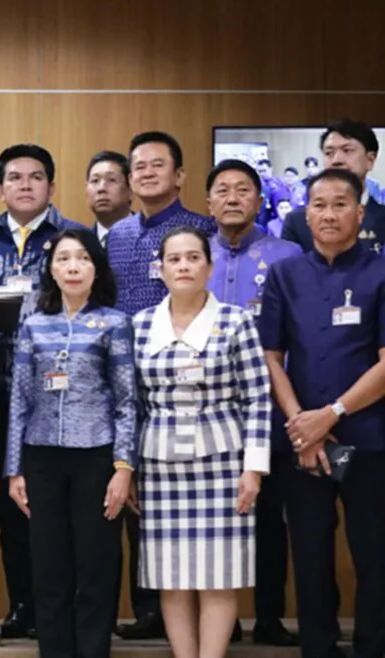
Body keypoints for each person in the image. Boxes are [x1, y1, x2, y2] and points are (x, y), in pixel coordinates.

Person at [0, 143, 82, 639]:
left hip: (63, 392)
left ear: (51, 186)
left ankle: (60, 610)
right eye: (16, 177)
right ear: (0, 187)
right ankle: (24, 603)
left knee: (59, 504)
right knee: (12, 501)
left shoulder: (75, 238)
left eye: (36, 177)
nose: (25, 185)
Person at [259, 168, 385, 658]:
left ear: (359, 212)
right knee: (309, 556)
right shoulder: (286, 275)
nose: (328, 213)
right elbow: (272, 356)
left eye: (339, 204)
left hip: (370, 437)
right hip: (303, 443)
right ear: (304, 212)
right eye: (319, 204)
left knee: (374, 556)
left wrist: (328, 414)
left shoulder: (380, 270)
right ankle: (319, 648)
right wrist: (301, 425)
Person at [132, 225, 271, 658]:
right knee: (170, 575)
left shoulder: (237, 321)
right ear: (161, 269)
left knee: (218, 573)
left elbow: (258, 396)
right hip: (159, 463)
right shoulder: (139, 326)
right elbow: (131, 404)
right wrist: (128, 468)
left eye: (194, 257)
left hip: (223, 462)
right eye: (174, 259)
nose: (184, 266)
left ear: (209, 267)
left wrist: (254, 468)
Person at [6, 227, 136, 658]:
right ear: (52, 270)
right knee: (49, 568)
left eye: (82, 258)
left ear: (96, 268)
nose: (73, 267)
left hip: (96, 458)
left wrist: (123, 467)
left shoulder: (115, 324)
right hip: (42, 458)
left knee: (96, 567)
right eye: (63, 259)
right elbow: (19, 400)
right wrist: (15, 469)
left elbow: (127, 400)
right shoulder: (34, 325)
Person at [106, 130, 213, 641]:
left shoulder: (200, 230)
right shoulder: (118, 235)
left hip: (188, 384)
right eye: (139, 167)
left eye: (156, 165)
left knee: (187, 498)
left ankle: (202, 613)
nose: (146, 173)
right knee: (133, 491)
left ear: (180, 176)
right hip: (128, 380)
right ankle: (148, 607)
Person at [205, 159, 301, 647]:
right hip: (207, 410)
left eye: (244, 189)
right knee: (211, 516)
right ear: (208, 203)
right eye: (222, 190)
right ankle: (217, 621)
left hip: (270, 402)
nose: (233, 198)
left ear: (260, 199)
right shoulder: (193, 254)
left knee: (269, 516)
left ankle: (268, 616)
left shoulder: (288, 254)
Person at [282, 119, 385, 254]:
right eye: (329, 153)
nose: (337, 160)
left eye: (347, 150)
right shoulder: (296, 221)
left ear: (370, 160)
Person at [85, 150, 134, 247]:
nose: (101, 188)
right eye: (95, 181)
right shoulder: (82, 244)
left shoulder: (150, 236)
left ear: (131, 190)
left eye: (111, 180)